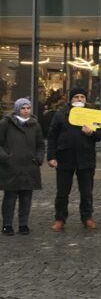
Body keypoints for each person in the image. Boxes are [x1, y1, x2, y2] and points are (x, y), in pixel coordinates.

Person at [47, 87, 101, 231]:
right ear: (71, 99)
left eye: (82, 97)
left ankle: (87, 217)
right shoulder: (61, 114)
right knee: (62, 192)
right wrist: (51, 156)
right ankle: (60, 218)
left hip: (86, 158)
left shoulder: (93, 114)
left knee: (86, 192)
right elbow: (52, 136)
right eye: (76, 97)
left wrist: (92, 133)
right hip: (64, 157)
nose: (79, 99)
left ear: (86, 99)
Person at [0, 98, 45, 235]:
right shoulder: (5, 123)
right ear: (17, 109)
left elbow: (40, 145)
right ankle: (7, 224)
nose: (26, 111)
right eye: (23, 108)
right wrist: (5, 157)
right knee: (10, 197)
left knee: (26, 197)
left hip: (29, 166)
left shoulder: (35, 125)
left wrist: (38, 159)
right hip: (11, 166)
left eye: (28, 108)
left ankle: (23, 224)